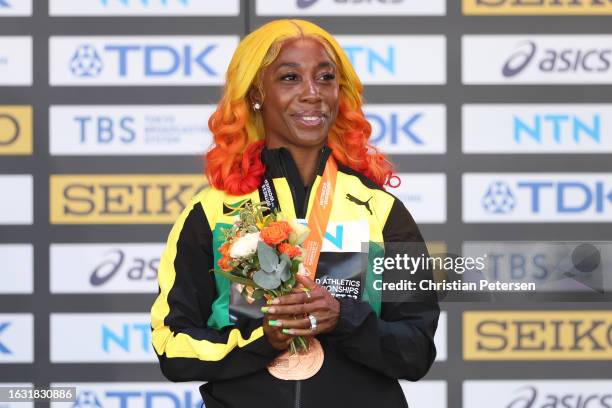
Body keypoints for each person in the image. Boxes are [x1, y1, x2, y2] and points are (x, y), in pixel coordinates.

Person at [150, 19, 439, 408]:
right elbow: (173, 348)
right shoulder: (213, 211)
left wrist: (345, 319)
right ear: (256, 93)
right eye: (289, 78)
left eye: (325, 78)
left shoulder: (382, 210)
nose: (312, 94)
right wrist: (260, 340)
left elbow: (416, 350)